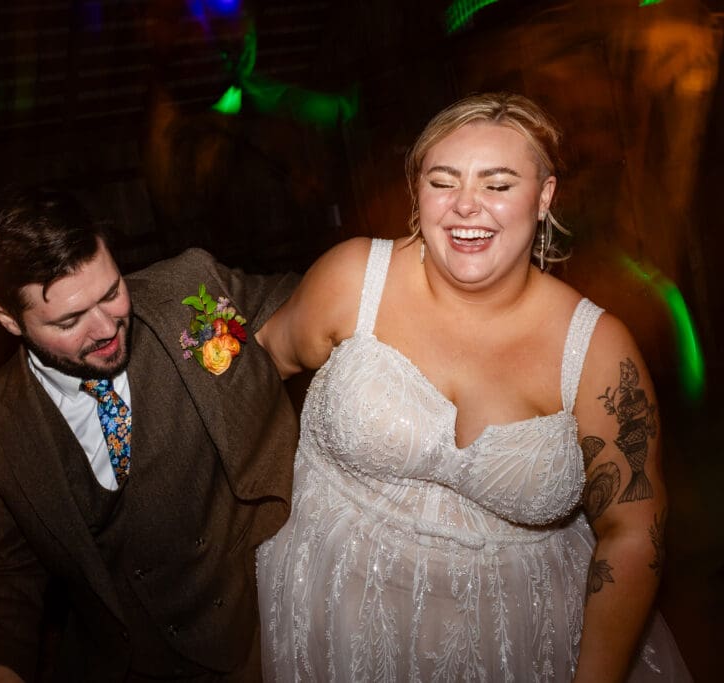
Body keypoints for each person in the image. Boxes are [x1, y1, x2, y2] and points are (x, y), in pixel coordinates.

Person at [254, 92, 692, 681]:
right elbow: (254, 372)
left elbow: (635, 530)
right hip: (333, 613)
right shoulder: (353, 280)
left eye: (498, 184)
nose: (465, 205)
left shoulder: (597, 352)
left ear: (544, 196)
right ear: (417, 192)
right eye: (443, 181)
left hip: (524, 643)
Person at [0, 185, 299, 682]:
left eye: (111, 293)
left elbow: (311, 307)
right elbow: (5, 573)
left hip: (261, 634)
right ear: (7, 319)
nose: (106, 328)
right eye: (70, 320)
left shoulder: (187, 292)